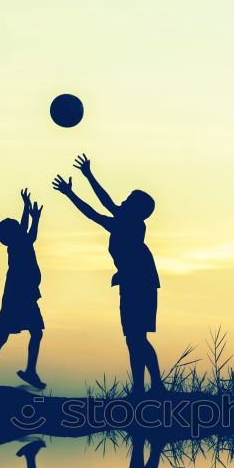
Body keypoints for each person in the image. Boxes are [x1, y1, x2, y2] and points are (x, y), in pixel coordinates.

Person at [52, 155, 163, 396]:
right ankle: (144, 388)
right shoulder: (126, 222)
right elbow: (99, 210)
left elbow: (101, 207)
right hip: (137, 282)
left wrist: (85, 179)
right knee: (135, 338)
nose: (123, 201)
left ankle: (152, 386)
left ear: (136, 210)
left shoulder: (130, 224)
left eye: (129, 200)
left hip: (140, 283)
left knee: (137, 337)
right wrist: (77, 187)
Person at [0, 188, 46, 389]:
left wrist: (29, 212)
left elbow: (27, 230)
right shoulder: (18, 244)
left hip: (23, 294)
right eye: (15, 227)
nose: (19, 226)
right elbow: (28, 231)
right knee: (10, 334)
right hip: (19, 295)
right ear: (11, 234)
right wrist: (31, 214)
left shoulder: (20, 242)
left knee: (27, 332)